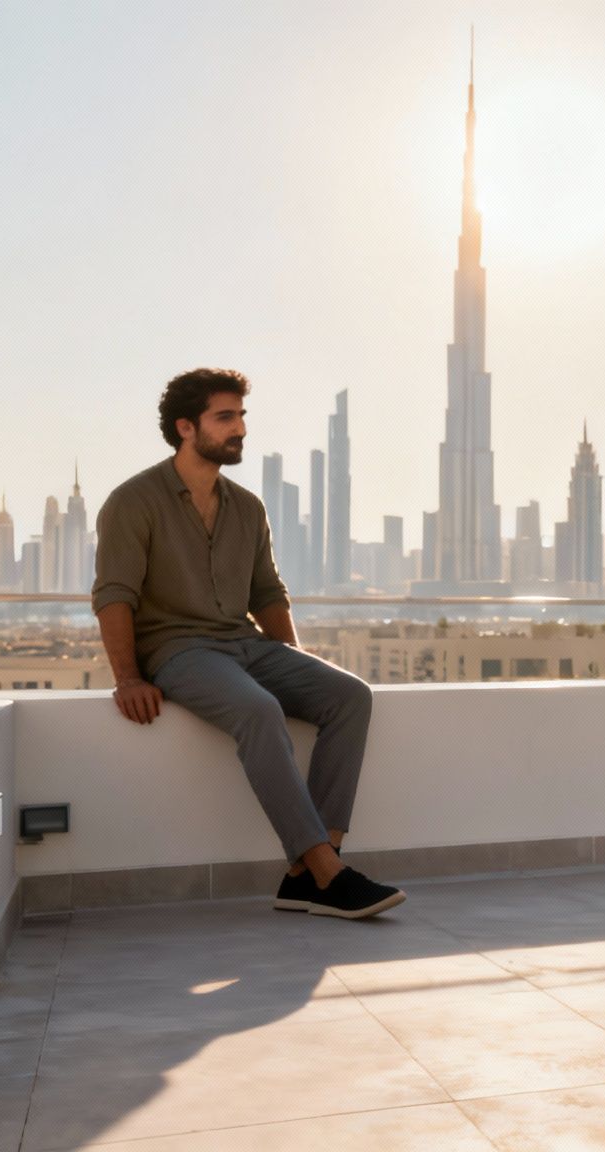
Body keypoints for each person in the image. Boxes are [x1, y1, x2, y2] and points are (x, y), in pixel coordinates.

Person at [92, 367, 404, 920]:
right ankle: (329, 876)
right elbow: (114, 595)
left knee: (350, 696)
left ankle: (309, 872)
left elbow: (267, 594)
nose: (239, 428)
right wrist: (129, 678)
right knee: (258, 710)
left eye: (240, 416)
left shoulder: (247, 507)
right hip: (178, 652)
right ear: (186, 427)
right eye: (225, 417)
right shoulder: (133, 501)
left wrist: (292, 660)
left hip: (247, 643)